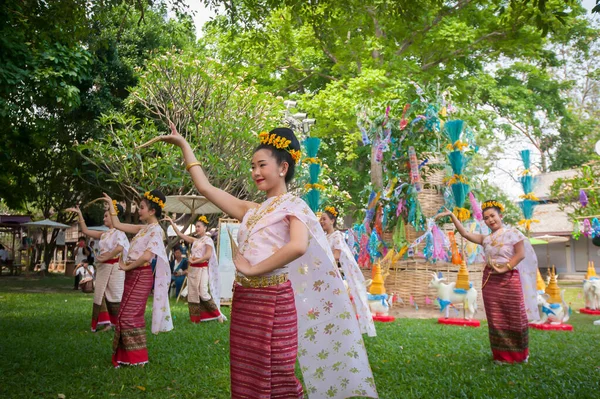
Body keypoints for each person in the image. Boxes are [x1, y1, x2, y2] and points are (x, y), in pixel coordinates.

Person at [150, 123, 377, 398]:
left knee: (278, 372)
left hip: (275, 299)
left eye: (261, 165)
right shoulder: (250, 209)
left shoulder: (295, 206)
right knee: (246, 372)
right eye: (253, 166)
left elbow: (297, 245)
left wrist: (253, 268)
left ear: (283, 167)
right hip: (246, 299)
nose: (255, 172)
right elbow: (205, 186)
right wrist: (184, 145)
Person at [436, 200, 539, 364]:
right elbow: (465, 234)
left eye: (493, 215)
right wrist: (452, 216)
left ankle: (520, 354)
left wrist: (506, 268)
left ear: (500, 216)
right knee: (496, 318)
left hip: (510, 279)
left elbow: (521, 254)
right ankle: (501, 355)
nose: (490, 220)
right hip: (490, 281)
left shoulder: (514, 233)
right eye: (486, 218)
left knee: (516, 315)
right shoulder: (486, 239)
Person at [101, 190, 173, 368]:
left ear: (152, 211)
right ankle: (129, 357)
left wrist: (126, 266)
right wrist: (111, 203)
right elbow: (117, 224)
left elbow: (147, 256)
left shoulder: (156, 231)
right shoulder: (145, 229)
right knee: (128, 315)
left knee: (128, 315)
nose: (138, 210)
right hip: (134, 274)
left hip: (140, 274)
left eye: (141, 207)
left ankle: (137, 357)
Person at [67, 202, 129, 332]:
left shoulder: (120, 232)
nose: (103, 218)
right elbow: (85, 230)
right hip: (104, 267)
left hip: (115, 268)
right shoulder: (105, 234)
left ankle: (118, 324)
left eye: (106, 216)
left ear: (113, 216)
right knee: (101, 294)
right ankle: (106, 324)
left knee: (115, 295)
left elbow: (120, 248)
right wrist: (79, 214)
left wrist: (105, 257)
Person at [320, 205, 376, 337]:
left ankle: (341, 329)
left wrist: (321, 259)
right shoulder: (323, 237)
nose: (321, 221)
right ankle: (329, 329)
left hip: (332, 274)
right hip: (324, 273)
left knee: (334, 302)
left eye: (324, 219)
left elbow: (336, 255)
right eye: (321, 219)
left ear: (332, 220)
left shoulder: (337, 236)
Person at [165, 215, 224, 323]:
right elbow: (180, 234)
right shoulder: (195, 240)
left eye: (199, 226)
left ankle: (218, 315)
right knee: (193, 293)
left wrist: (194, 261)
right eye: (196, 226)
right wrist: (171, 222)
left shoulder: (208, 240)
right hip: (193, 269)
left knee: (203, 292)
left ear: (205, 228)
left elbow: (207, 255)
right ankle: (196, 318)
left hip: (202, 268)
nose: (197, 228)